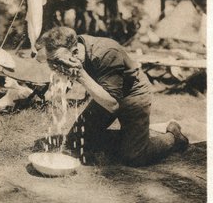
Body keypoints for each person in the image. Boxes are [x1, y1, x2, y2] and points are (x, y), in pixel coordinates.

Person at [37, 26, 189, 166]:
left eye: (57, 60)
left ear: (75, 52)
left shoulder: (107, 52)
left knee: (134, 157)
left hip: (133, 94)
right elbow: (46, 56)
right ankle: (130, 138)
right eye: (51, 61)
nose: (54, 65)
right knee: (74, 142)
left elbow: (112, 104)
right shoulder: (71, 48)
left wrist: (82, 76)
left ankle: (173, 137)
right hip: (106, 92)